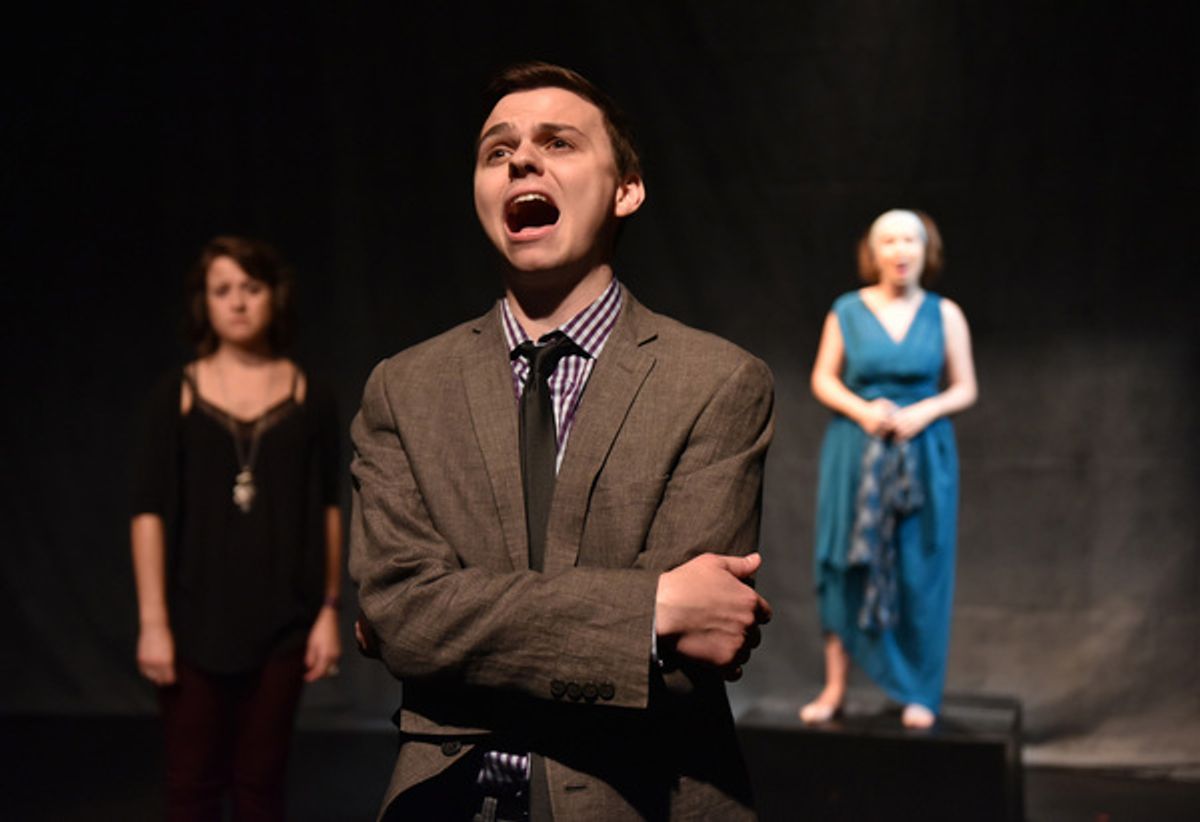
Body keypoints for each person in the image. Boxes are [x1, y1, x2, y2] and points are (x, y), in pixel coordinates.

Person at [349, 62, 774, 820]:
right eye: (496, 150)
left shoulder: (719, 382)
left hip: (642, 796)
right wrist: (650, 609)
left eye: (559, 143)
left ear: (627, 189)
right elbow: (401, 617)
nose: (521, 160)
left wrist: (456, 631)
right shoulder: (402, 388)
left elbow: (693, 653)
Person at [130, 235, 343, 821]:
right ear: (205, 302)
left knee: (261, 785)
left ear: (275, 296)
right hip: (193, 620)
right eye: (223, 290)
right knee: (192, 785)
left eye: (251, 288)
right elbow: (147, 512)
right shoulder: (175, 395)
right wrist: (153, 622)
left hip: (284, 623)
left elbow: (328, 507)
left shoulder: (310, 395)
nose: (239, 302)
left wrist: (328, 610)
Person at [800, 209, 977, 730]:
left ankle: (919, 690)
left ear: (927, 250)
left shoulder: (945, 315)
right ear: (873, 252)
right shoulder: (846, 311)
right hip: (856, 450)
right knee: (842, 564)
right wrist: (865, 412)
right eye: (889, 240)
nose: (901, 250)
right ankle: (835, 687)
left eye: (910, 240)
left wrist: (921, 412)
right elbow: (823, 379)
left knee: (921, 569)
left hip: (923, 454)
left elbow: (965, 387)